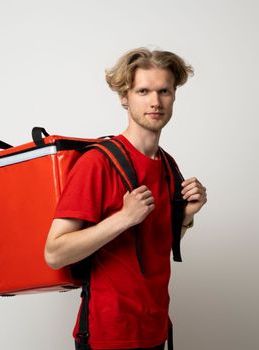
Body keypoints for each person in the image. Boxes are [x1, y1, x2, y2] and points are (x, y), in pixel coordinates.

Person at [44, 47, 207, 350]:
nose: (155, 102)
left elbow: (153, 243)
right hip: (109, 335)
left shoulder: (169, 166)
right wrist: (123, 217)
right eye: (143, 91)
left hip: (155, 330)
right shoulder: (97, 163)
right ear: (124, 97)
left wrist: (185, 217)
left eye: (164, 91)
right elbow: (54, 252)